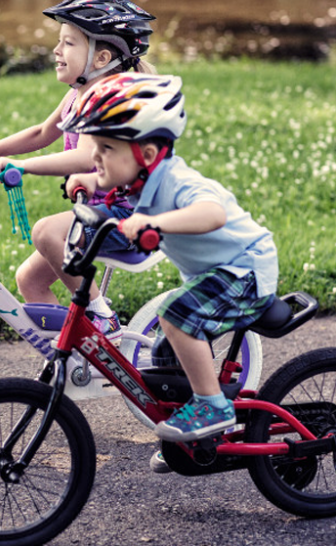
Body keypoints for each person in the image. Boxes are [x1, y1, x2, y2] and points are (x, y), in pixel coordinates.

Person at [62, 72, 279, 470]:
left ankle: (213, 409)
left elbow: (210, 213)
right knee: (163, 353)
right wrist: (89, 182)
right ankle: (190, 445)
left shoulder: (179, 181)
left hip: (245, 271)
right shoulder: (138, 184)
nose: (95, 155)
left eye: (105, 147)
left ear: (145, 153)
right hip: (215, 275)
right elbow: (111, 190)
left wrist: (156, 225)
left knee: (175, 316)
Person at [0, 0, 157, 344]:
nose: (56, 51)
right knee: (29, 280)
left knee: (47, 232)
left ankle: (101, 318)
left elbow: (85, 157)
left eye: (68, 43)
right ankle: (87, 358)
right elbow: (41, 133)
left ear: (102, 57)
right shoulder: (76, 96)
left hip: (128, 218)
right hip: (98, 212)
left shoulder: (107, 99)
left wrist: (25, 166)